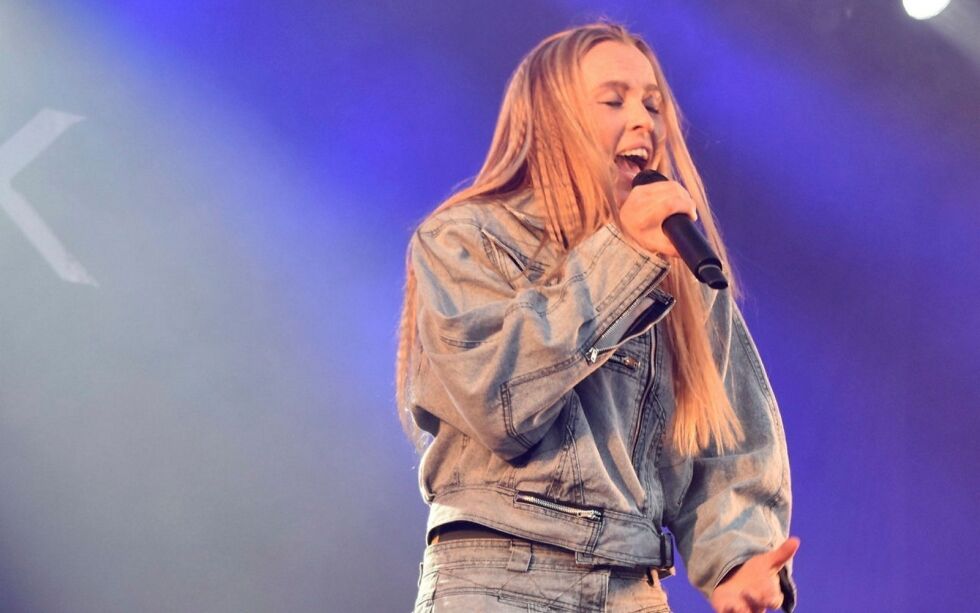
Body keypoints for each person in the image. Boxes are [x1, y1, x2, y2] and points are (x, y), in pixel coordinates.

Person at [396, 22, 798, 613]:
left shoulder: (677, 268)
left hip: (632, 583)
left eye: (653, 104)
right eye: (614, 100)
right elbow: (496, 401)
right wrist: (624, 257)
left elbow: (726, 443)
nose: (644, 121)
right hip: (501, 577)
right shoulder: (464, 240)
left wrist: (738, 561)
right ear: (551, 119)